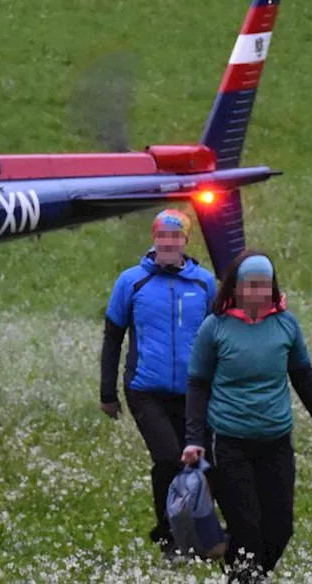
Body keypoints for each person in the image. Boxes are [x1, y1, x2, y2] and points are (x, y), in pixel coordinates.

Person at [181, 250, 312, 582]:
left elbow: (305, 379)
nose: (258, 292)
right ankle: (244, 575)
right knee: (247, 526)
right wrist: (193, 439)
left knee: (280, 528)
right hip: (229, 442)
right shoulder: (214, 328)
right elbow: (197, 385)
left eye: (265, 285)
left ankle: (246, 573)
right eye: (251, 285)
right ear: (237, 287)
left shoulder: (286, 325)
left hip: (276, 441)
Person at [99, 208, 216, 559]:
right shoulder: (131, 281)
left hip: (194, 392)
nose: (168, 242)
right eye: (162, 236)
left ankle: (203, 535)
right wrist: (107, 393)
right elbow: (112, 337)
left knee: (198, 464)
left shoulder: (204, 283)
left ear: (185, 240)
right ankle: (170, 538)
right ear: (154, 239)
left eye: (175, 236)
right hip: (145, 389)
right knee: (168, 459)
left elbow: (217, 338)